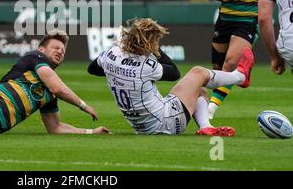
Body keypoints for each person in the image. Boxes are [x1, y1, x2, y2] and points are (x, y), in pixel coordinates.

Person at [88, 18, 254, 136]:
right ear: (148, 44)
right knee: (198, 73)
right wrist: (156, 50)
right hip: (164, 122)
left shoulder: (111, 53)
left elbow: (92, 69)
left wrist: (118, 72)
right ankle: (239, 77)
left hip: (142, 127)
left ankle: (206, 126)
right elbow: (175, 72)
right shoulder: (146, 65)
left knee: (198, 89)